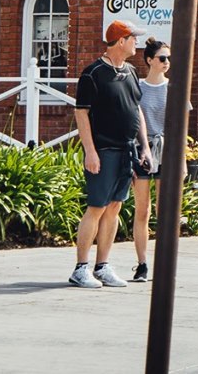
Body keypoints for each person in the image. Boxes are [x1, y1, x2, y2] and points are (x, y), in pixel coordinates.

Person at [69, 21, 150, 289]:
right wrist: (90, 151)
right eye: (132, 39)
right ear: (120, 41)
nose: (136, 43)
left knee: (115, 207)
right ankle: (81, 268)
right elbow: (81, 113)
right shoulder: (93, 74)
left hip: (127, 149)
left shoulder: (131, 72)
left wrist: (144, 146)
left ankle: (102, 266)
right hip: (103, 151)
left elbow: (136, 109)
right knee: (97, 207)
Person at [127, 37, 178, 283]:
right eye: (162, 58)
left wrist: (183, 161)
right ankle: (142, 263)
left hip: (167, 152)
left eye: (168, 58)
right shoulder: (138, 87)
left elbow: (181, 126)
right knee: (142, 210)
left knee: (164, 210)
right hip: (142, 152)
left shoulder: (174, 88)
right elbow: (131, 122)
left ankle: (165, 263)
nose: (167, 62)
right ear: (149, 60)